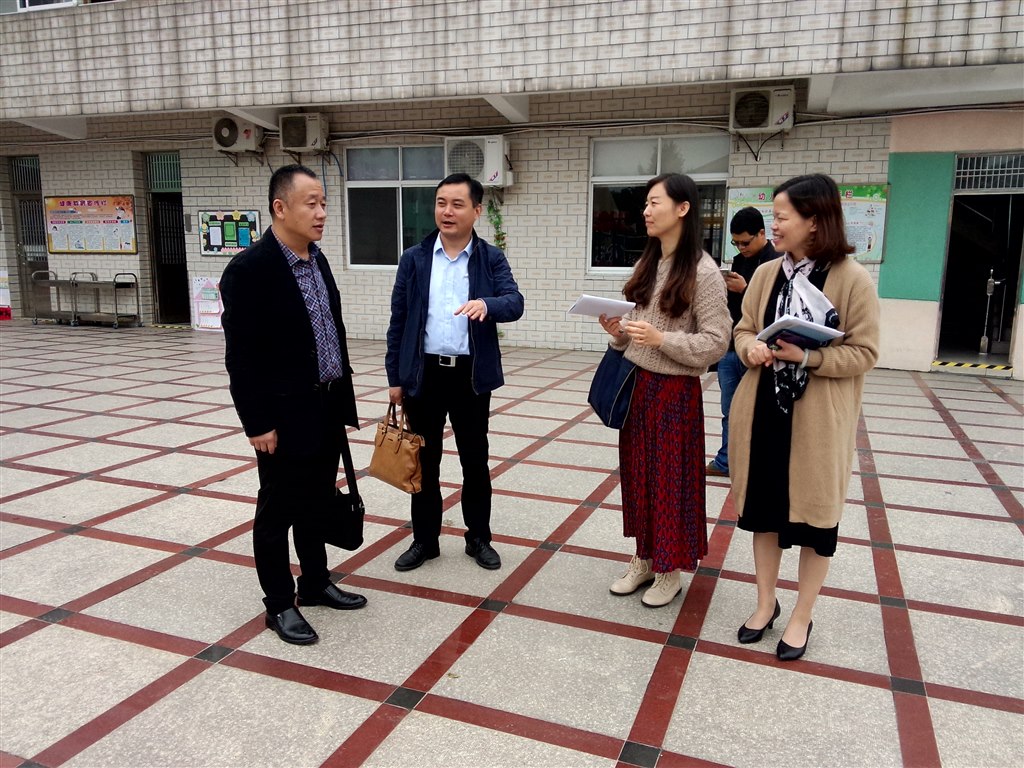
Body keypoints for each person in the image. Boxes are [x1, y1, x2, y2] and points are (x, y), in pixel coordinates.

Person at [730, 174, 880, 661]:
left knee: (815, 524)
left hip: (816, 425)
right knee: (763, 516)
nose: (773, 226)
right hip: (765, 414)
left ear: (814, 221)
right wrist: (750, 348)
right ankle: (765, 603)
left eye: (781, 217)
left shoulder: (852, 279)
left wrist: (808, 357)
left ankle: (801, 615)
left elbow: (864, 353)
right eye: (772, 217)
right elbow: (743, 328)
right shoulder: (766, 274)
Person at [221, 164, 367, 646]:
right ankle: (280, 603)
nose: (322, 212)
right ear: (280, 208)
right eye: (312, 203)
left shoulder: (317, 260)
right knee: (277, 510)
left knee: (317, 501)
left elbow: (330, 334)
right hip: (281, 417)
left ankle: (316, 582)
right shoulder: (250, 270)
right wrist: (257, 422)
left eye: (324, 203)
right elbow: (241, 358)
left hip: (325, 407)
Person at [598, 173, 730, 607]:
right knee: (638, 477)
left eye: (655, 202)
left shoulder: (704, 272)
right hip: (636, 386)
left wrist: (662, 340)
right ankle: (644, 558)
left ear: (682, 208)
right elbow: (635, 330)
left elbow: (717, 342)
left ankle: (669, 570)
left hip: (675, 394)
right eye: (646, 204)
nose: (646, 211)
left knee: (670, 482)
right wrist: (619, 334)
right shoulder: (649, 262)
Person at [385, 172, 524, 572]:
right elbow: (399, 321)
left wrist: (487, 304)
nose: (447, 211)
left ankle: (478, 538)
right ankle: (424, 541)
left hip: (470, 376)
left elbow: (514, 302)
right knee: (423, 463)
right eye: (441, 203)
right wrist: (395, 378)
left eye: (457, 204)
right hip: (424, 374)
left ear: (476, 211)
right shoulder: (414, 258)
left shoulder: (489, 258)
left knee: (474, 461)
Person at [707, 207, 779, 477]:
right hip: (731, 348)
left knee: (760, 411)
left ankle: (756, 464)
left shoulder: (777, 263)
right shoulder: (738, 262)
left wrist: (746, 289)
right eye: (736, 243)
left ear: (762, 233)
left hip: (761, 350)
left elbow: (778, 308)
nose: (741, 248)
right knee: (730, 410)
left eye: (746, 242)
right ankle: (726, 461)